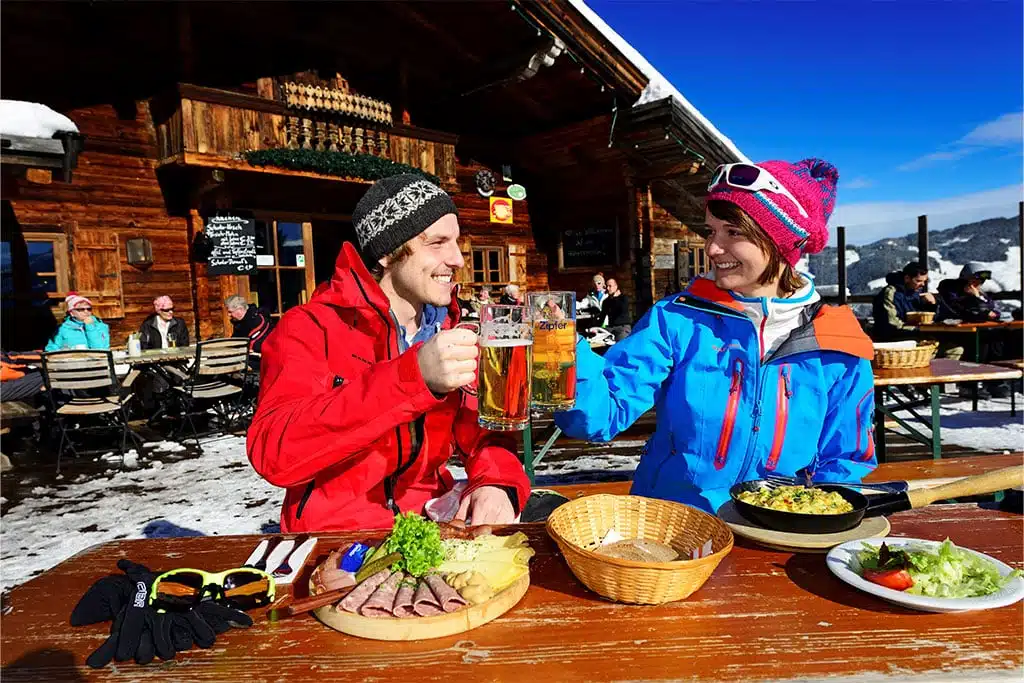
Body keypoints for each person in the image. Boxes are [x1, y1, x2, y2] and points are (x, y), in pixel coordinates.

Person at [555, 159, 877, 514]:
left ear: (781, 242)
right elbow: (597, 417)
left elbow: (843, 463)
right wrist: (563, 349)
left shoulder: (837, 344)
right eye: (711, 231)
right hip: (673, 522)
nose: (711, 248)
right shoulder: (677, 320)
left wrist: (821, 525)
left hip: (777, 529)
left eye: (733, 233)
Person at [247, 173, 530, 532]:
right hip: (337, 540)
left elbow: (484, 435)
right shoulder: (310, 327)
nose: (458, 259)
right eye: (438, 243)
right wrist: (413, 377)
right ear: (387, 252)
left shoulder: (449, 330)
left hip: (432, 527)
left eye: (456, 242)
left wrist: (496, 482)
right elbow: (274, 454)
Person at [871, 262, 936, 341]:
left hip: (911, 334)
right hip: (892, 338)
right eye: (918, 281)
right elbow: (892, 323)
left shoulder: (915, 292)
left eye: (924, 281)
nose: (922, 284)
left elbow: (924, 318)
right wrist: (917, 329)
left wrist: (932, 305)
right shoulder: (891, 293)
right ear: (907, 278)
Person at [44, 293, 110, 352]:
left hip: (96, 360)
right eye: (81, 309)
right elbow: (51, 349)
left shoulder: (100, 326)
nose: (86, 312)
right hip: (71, 360)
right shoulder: (63, 329)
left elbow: (101, 349)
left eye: (89, 309)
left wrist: (90, 327)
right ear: (72, 313)